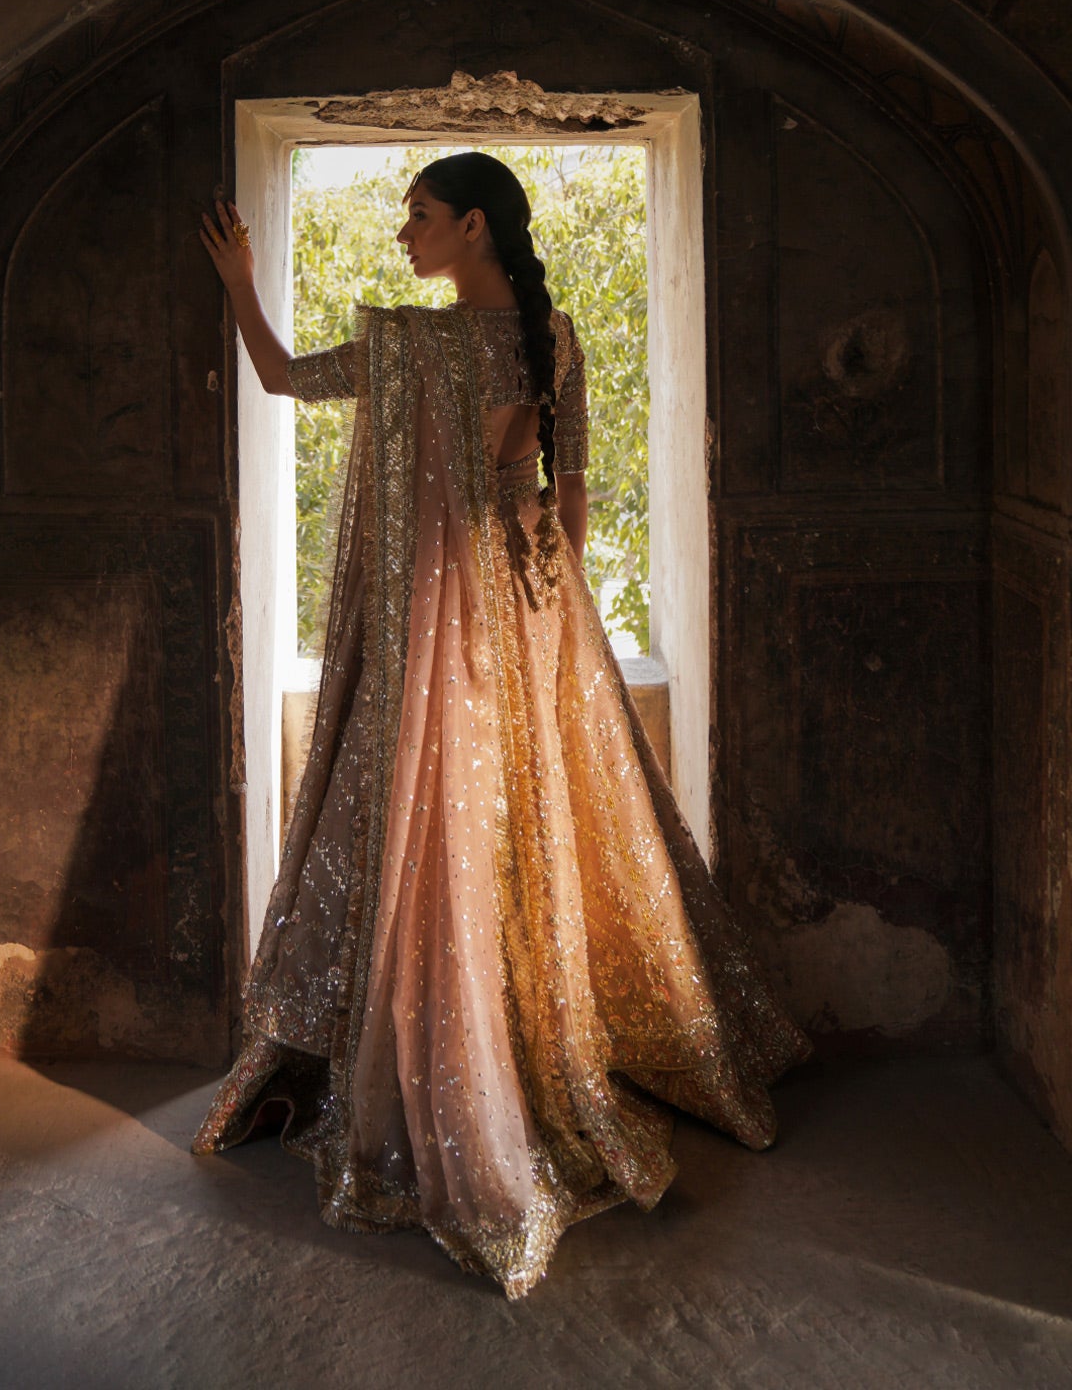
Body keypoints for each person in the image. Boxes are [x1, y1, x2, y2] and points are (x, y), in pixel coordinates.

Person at [194, 151, 811, 1299]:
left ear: (474, 227)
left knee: (436, 842)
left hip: (432, 627)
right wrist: (546, 596)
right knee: (529, 838)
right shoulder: (552, 335)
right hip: (530, 621)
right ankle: (535, 1060)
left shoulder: (410, 349)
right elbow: (569, 501)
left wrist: (237, 283)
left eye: (418, 216)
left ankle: (457, 1071)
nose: (402, 233)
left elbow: (278, 376)